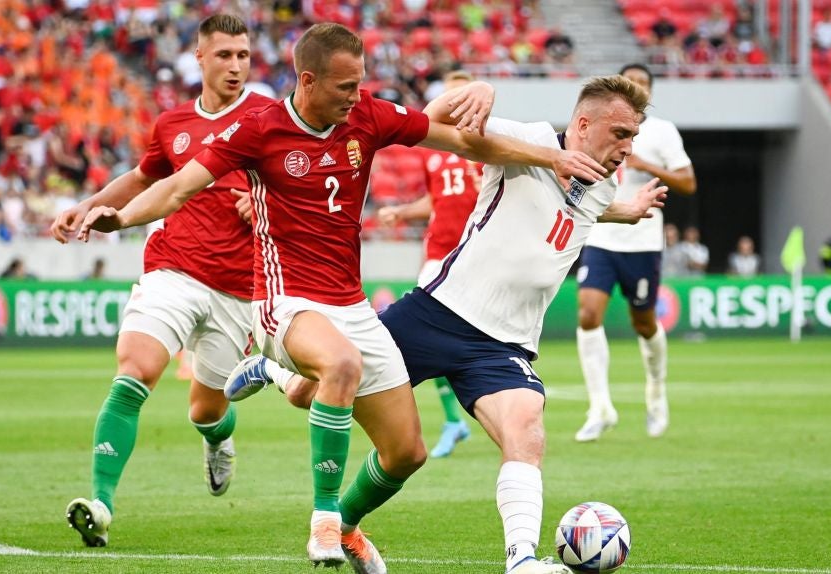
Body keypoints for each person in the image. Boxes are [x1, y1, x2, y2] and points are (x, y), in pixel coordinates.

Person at [76, 22, 605, 573]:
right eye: (345, 87)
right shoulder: (259, 130)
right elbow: (177, 185)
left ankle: (349, 527)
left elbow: (459, 138)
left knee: (406, 452)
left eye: (360, 84)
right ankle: (324, 520)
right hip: (284, 299)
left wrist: (552, 158)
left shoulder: (367, 115)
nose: (357, 96)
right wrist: (121, 217)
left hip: (349, 304)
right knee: (341, 364)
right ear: (307, 81)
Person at [225, 75, 666, 574]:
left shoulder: (602, 182)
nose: (629, 147)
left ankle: (519, 560)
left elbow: (578, 210)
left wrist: (624, 211)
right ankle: (271, 370)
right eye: (622, 133)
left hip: (505, 345)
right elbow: (430, 124)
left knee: (526, 428)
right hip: (440, 313)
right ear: (583, 124)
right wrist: (478, 89)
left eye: (634, 135)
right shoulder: (530, 143)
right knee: (312, 391)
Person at [50, 14, 273, 548]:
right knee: (136, 368)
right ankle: (101, 504)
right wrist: (86, 205)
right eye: (224, 55)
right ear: (199, 57)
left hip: (238, 287)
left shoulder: (270, 117)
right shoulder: (173, 124)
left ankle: (218, 440)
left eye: (243, 56)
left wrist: (266, 202)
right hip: (172, 266)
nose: (236, 66)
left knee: (207, 409)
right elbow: (144, 178)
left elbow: (304, 179)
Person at [573, 63, 696, 443]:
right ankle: (600, 407)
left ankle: (656, 393)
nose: (636, 88)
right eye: (631, 83)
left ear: (650, 93)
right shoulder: (602, 126)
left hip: (641, 242)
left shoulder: (661, 132)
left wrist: (646, 165)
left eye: (643, 84)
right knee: (588, 314)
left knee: (643, 323)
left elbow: (688, 183)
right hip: (601, 236)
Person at [376, 70, 481, 459]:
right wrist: (402, 212)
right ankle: (453, 420)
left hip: (475, 255)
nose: (455, 105)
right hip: (438, 253)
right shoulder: (433, 150)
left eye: (461, 96)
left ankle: (473, 410)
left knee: (472, 336)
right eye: (450, 97)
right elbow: (437, 201)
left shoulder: (484, 147)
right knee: (429, 330)